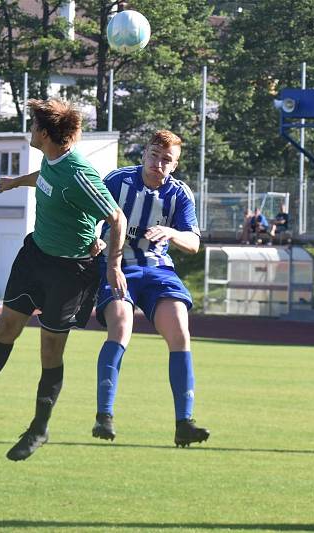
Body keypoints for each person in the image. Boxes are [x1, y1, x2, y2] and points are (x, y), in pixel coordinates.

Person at [0, 98, 127, 462]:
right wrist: (15, 183)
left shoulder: (79, 174)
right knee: (6, 325)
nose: (30, 131)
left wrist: (113, 265)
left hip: (70, 273)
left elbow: (116, 218)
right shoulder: (50, 159)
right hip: (35, 256)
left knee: (49, 350)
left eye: (33, 126)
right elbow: (44, 178)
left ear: (44, 133)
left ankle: (39, 429)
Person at [90, 130, 210, 447]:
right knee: (121, 327)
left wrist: (171, 232)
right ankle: (104, 416)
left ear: (176, 164)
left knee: (180, 333)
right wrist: (95, 239)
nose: (159, 163)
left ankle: (184, 423)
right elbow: (93, 217)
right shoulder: (118, 180)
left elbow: (194, 243)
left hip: (157, 269)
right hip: (116, 265)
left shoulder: (180, 194)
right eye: (154, 155)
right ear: (144, 154)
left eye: (167, 159)